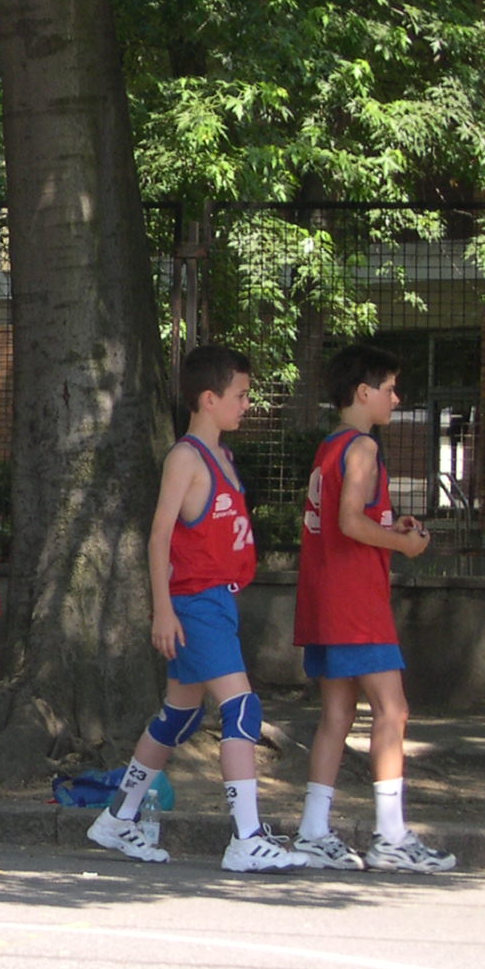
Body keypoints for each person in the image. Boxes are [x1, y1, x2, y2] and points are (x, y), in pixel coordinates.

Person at [86, 345, 304, 871]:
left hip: (218, 599)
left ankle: (117, 817)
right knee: (242, 709)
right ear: (209, 398)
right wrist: (162, 610)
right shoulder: (185, 457)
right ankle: (247, 838)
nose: (246, 404)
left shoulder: (221, 456)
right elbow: (159, 536)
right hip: (196, 602)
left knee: (179, 716)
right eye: (240, 395)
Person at [290, 343, 453, 873]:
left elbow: (350, 518)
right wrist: (404, 543)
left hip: (326, 598)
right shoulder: (362, 447)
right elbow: (350, 520)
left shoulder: (331, 445)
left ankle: (314, 831)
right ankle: (391, 835)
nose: (395, 398)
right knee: (393, 710)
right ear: (364, 392)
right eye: (389, 389)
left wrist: (390, 525)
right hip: (356, 602)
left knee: (337, 714)